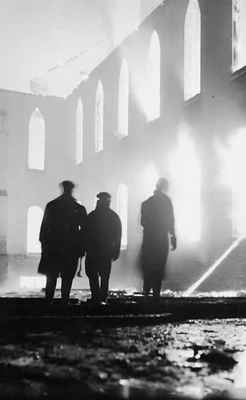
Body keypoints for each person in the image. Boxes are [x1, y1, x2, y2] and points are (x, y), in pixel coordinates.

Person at [38, 180, 87, 302]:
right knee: (67, 278)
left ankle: (49, 302)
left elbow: (44, 229)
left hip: (53, 248)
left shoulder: (52, 206)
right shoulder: (78, 208)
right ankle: (64, 302)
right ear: (71, 190)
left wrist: (44, 247)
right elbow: (85, 231)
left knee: (51, 277)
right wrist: (81, 249)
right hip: (71, 249)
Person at [141, 177, 177, 299]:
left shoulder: (146, 203)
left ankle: (146, 292)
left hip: (149, 239)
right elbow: (170, 220)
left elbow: (143, 222)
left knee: (148, 265)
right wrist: (173, 236)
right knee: (159, 265)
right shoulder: (166, 202)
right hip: (161, 239)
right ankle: (156, 294)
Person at [85, 192, 122, 303]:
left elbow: (85, 234)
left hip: (93, 252)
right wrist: (116, 250)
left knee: (93, 275)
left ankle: (96, 297)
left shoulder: (92, 216)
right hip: (106, 252)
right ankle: (102, 298)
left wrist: (84, 249)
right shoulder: (114, 217)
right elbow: (118, 236)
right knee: (104, 276)